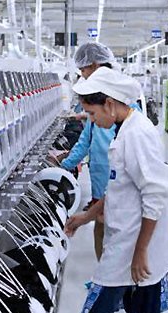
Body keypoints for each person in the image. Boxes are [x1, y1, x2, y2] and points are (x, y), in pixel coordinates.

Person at [65, 67, 168, 313]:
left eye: (92, 112)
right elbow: (119, 188)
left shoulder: (137, 135)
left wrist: (139, 251)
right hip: (133, 241)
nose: (91, 119)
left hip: (134, 246)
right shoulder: (125, 130)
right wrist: (87, 216)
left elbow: (155, 194)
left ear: (110, 104)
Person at [55, 42, 119, 261]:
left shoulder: (130, 126)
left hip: (112, 178)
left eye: (83, 70)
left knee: (113, 230)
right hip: (101, 178)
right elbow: (85, 140)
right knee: (101, 225)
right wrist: (64, 165)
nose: (82, 75)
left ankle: (110, 274)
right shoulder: (100, 107)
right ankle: (104, 272)